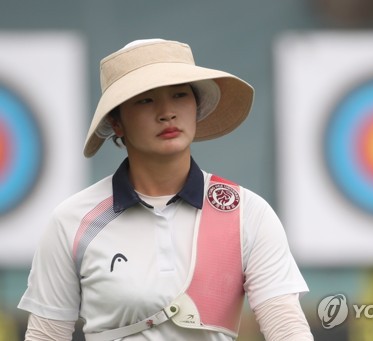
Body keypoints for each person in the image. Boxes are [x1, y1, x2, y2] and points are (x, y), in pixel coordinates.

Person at [18, 38, 313, 340]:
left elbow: (286, 326)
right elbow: (46, 335)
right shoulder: (73, 221)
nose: (167, 112)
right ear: (116, 122)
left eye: (179, 95)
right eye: (145, 99)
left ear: (196, 107)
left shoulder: (246, 212)